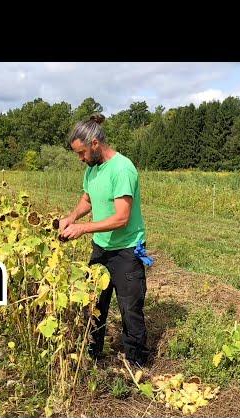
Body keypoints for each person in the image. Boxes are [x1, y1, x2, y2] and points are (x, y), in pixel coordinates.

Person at [59, 113, 152, 367]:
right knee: (94, 305)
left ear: (95, 145)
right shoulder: (93, 169)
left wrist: (83, 228)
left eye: (82, 153)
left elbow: (122, 217)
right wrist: (71, 217)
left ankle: (137, 364)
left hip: (126, 251)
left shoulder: (122, 169)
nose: (80, 159)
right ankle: (93, 356)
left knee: (129, 309)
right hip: (101, 248)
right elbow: (87, 199)